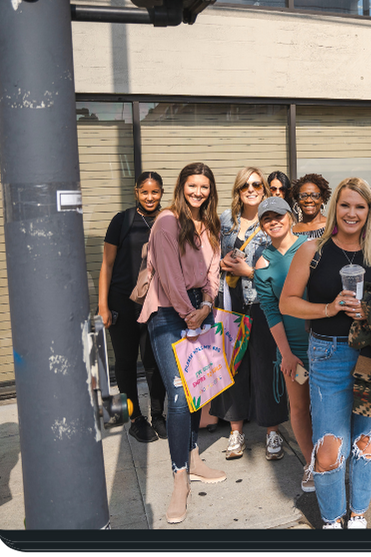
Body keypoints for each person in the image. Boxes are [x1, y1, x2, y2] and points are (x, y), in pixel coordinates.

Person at [279, 177, 371, 530]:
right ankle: (332, 520)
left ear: (370, 211)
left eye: (360, 206)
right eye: (346, 205)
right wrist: (328, 308)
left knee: (367, 442)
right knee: (329, 449)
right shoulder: (313, 251)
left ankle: (358, 514)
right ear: (335, 208)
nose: (352, 213)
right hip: (328, 355)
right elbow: (287, 303)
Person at [138, 162, 226, 525]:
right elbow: (170, 277)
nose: (198, 192)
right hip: (167, 312)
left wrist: (206, 304)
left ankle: (193, 459)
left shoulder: (210, 224)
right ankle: (180, 480)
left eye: (204, 186)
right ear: (181, 186)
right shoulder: (167, 222)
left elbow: (213, 272)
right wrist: (189, 312)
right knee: (178, 393)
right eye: (192, 185)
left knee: (195, 389)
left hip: (197, 309)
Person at [212, 167, 288, 462]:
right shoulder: (225, 220)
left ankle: (272, 431)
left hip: (262, 302)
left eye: (257, 184)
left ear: (264, 189)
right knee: (234, 366)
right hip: (230, 301)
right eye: (246, 185)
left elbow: (280, 262)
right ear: (238, 190)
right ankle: (236, 431)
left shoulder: (271, 220)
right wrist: (221, 262)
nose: (252, 189)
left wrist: (249, 272)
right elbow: (210, 255)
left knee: (267, 366)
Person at [98, 171, 167, 443]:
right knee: (126, 363)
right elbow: (107, 265)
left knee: (155, 362)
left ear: (161, 193)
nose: (150, 197)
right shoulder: (122, 220)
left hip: (156, 303)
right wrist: (103, 305)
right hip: (122, 304)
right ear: (136, 192)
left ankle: (158, 415)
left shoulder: (168, 219)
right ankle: (136, 419)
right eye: (144, 192)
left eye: (155, 192)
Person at [253, 196, 315, 492]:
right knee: (299, 408)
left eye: (278, 215)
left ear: (291, 217)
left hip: (324, 345)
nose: (274, 222)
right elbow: (270, 310)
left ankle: (332, 458)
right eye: (267, 218)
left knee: (328, 407)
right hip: (294, 352)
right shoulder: (262, 262)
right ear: (262, 225)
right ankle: (311, 464)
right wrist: (286, 354)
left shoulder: (312, 248)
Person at [290, 173, 331, 240]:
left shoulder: (332, 227)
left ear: (322, 199)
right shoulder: (291, 232)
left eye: (314, 195)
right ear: (297, 200)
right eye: (303, 196)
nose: (308, 200)